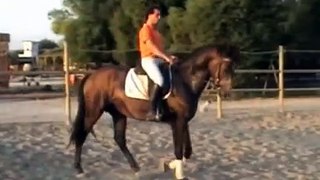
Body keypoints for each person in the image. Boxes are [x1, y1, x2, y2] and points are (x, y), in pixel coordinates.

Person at [138, 5, 175, 121]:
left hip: (159, 60)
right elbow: (152, 47)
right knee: (160, 80)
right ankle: (151, 110)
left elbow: (161, 49)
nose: (159, 17)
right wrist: (166, 57)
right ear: (149, 15)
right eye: (156, 15)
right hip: (149, 60)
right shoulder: (145, 30)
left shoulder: (156, 33)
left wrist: (169, 57)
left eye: (159, 15)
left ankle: (166, 107)